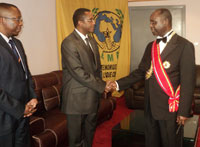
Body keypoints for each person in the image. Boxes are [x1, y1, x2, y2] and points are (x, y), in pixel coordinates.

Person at [109, 8, 195, 147]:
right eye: (150, 23)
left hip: (169, 108)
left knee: (170, 142)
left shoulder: (184, 46)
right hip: (150, 105)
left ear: (166, 22)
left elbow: (188, 82)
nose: (150, 26)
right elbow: (140, 72)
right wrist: (117, 84)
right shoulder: (151, 46)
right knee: (151, 141)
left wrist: (184, 111)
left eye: (153, 22)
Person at [61, 8, 111, 147]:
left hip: (92, 96)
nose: (94, 22)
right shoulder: (69, 43)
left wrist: (102, 86)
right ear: (80, 23)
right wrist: (102, 85)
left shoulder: (91, 40)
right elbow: (78, 71)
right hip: (76, 100)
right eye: (90, 20)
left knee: (89, 134)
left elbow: (97, 69)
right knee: (76, 139)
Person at [0, 3, 38, 147]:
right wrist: (19, 109)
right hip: (4, 119)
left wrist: (32, 97)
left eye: (21, 19)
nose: (21, 23)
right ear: (1, 20)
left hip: (23, 115)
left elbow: (25, 74)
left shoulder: (17, 43)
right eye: (17, 19)